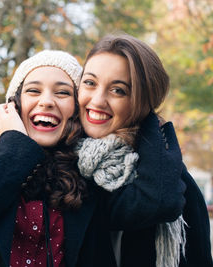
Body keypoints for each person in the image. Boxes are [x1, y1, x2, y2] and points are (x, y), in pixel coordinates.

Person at [0, 49, 185, 267]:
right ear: (13, 104)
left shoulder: (88, 168)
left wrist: (144, 109)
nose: (47, 102)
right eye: (33, 91)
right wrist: (15, 146)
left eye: (62, 93)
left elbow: (157, 202)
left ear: (76, 108)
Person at [75, 33, 212, 267]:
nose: (97, 100)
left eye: (118, 90)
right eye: (90, 83)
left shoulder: (176, 183)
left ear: (143, 103)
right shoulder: (57, 167)